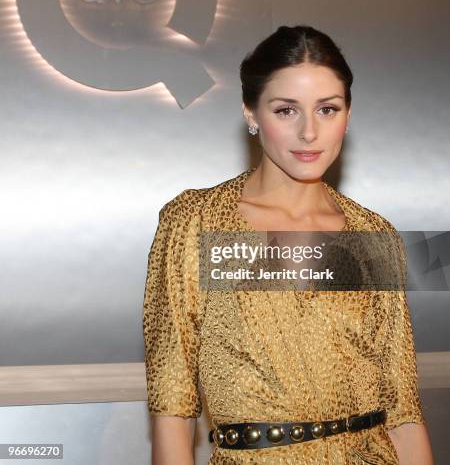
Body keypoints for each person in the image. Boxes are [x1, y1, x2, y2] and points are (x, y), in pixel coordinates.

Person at [143, 25, 434, 464]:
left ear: (348, 116)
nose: (310, 133)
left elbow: (404, 412)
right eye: (286, 111)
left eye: (327, 109)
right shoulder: (195, 222)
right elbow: (173, 402)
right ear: (251, 114)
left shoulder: (374, 236)